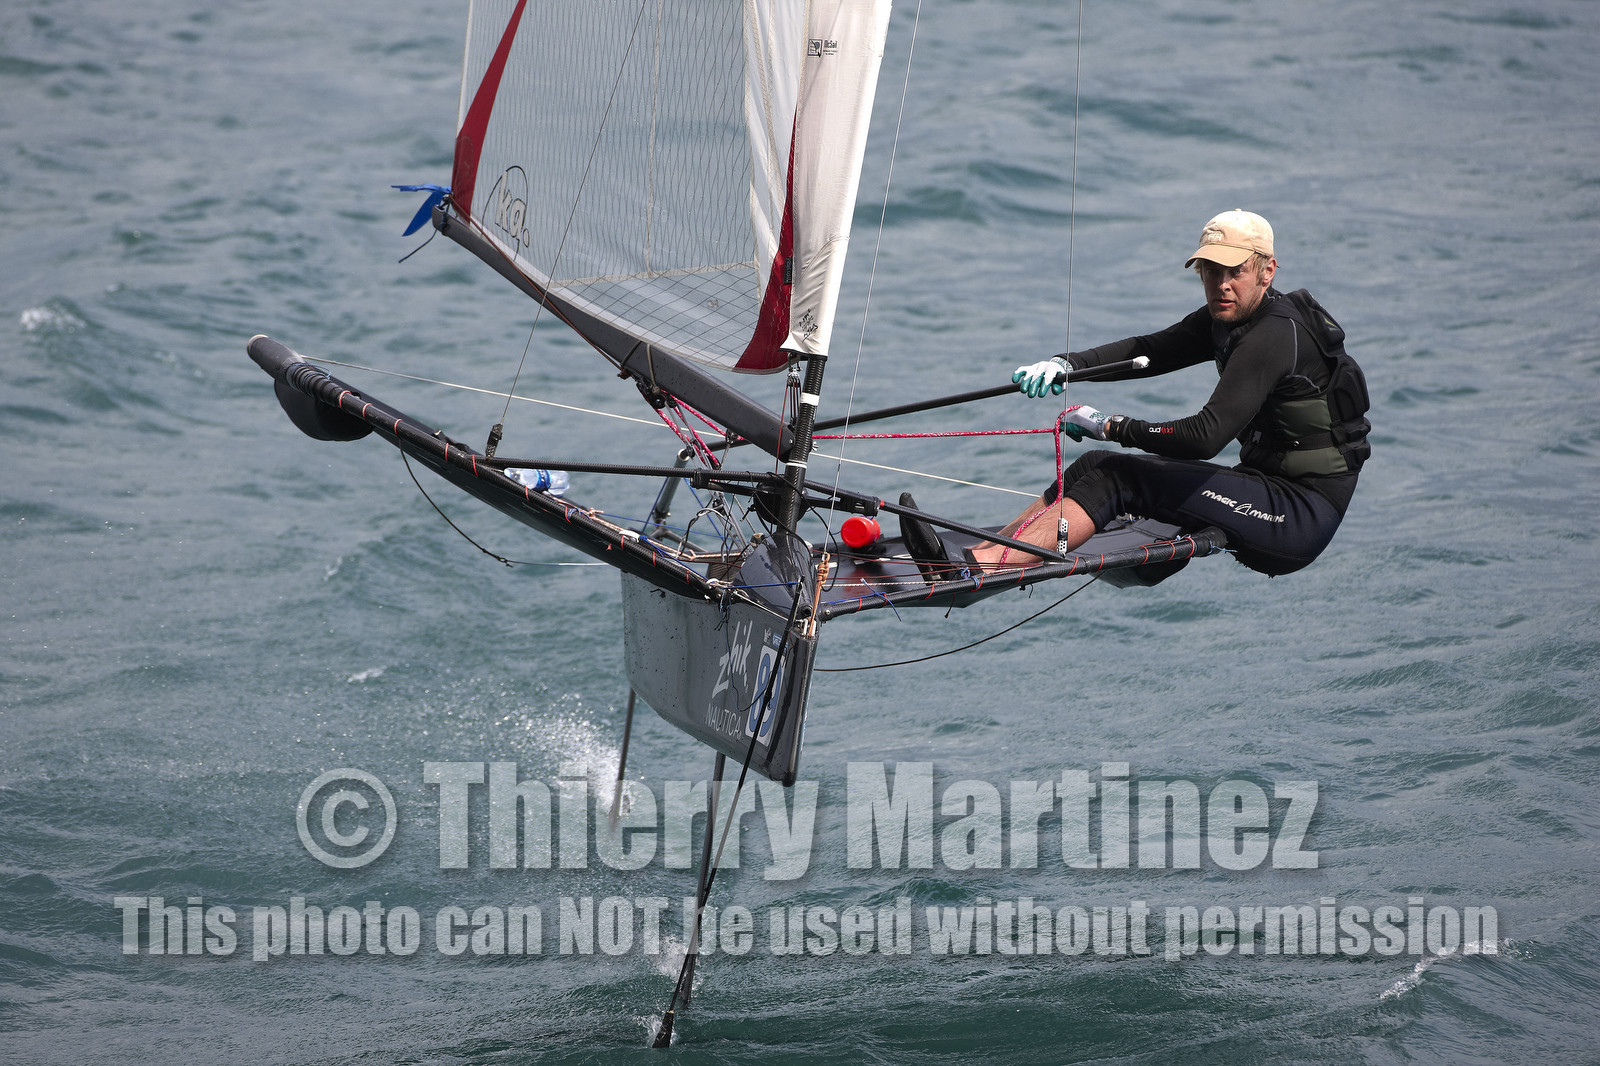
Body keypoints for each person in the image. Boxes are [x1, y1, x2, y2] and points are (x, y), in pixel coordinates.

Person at [966, 209, 1370, 577]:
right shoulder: (1227, 317)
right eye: (1211, 271)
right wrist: (1067, 365)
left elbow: (1205, 437)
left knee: (1116, 477)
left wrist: (1111, 426)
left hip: (1297, 514)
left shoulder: (1274, 334)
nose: (1222, 284)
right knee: (1091, 465)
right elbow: (1150, 351)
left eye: (1235, 272)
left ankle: (984, 568)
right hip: (1262, 486)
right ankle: (983, 552)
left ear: (1268, 271)